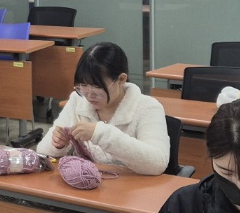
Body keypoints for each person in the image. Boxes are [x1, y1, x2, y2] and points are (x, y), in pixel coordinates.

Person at [35, 42, 169, 175]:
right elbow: (42, 150)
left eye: (97, 87)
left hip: (132, 186)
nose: (89, 95)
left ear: (121, 79)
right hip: (88, 184)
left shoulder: (148, 108)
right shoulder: (78, 100)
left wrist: (101, 134)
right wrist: (59, 144)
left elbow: (157, 163)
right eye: (83, 86)